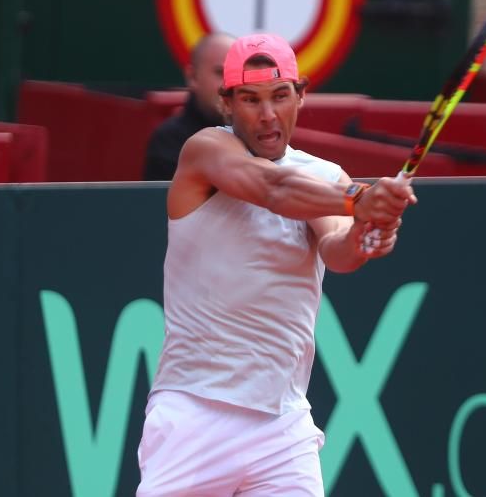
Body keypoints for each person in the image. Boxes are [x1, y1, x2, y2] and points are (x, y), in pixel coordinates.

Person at [137, 34, 416, 497]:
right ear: (227, 105)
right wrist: (363, 199)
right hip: (194, 412)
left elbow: (337, 253)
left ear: (301, 97)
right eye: (251, 100)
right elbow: (274, 190)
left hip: (283, 427)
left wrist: (365, 236)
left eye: (280, 96)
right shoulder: (204, 150)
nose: (267, 115)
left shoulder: (326, 178)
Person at [143, 33, 234, 180]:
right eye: (220, 73)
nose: (228, 85)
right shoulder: (168, 141)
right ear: (192, 76)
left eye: (234, 74)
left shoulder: (258, 133)